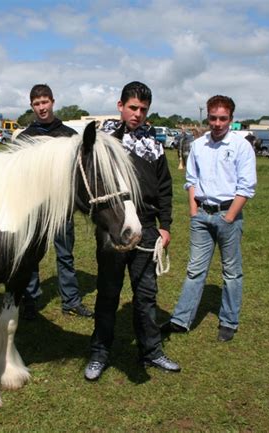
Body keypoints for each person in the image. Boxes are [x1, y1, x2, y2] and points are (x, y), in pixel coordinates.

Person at [84, 81, 181, 381]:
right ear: (120, 106)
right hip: (115, 229)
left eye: (143, 109)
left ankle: (151, 351)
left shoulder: (154, 145)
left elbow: (165, 188)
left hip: (148, 230)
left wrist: (165, 227)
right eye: (133, 107)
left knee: (146, 296)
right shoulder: (104, 143)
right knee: (108, 294)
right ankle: (100, 353)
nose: (137, 114)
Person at [162, 95, 257, 342]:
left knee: (232, 272)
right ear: (207, 116)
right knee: (195, 270)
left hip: (228, 215)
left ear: (231, 119)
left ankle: (229, 321)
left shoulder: (241, 146)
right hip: (202, 215)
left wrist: (229, 218)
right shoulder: (199, 145)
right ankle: (181, 320)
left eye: (222, 118)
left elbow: (246, 187)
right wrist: (194, 212)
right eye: (213, 118)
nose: (217, 123)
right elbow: (191, 180)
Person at [18, 84, 93, 320]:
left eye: (45, 102)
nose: (41, 107)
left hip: (62, 208)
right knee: (30, 258)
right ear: (32, 106)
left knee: (65, 255)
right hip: (34, 208)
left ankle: (70, 300)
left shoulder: (69, 135)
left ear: (53, 101)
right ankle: (30, 301)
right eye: (37, 104)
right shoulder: (25, 138)